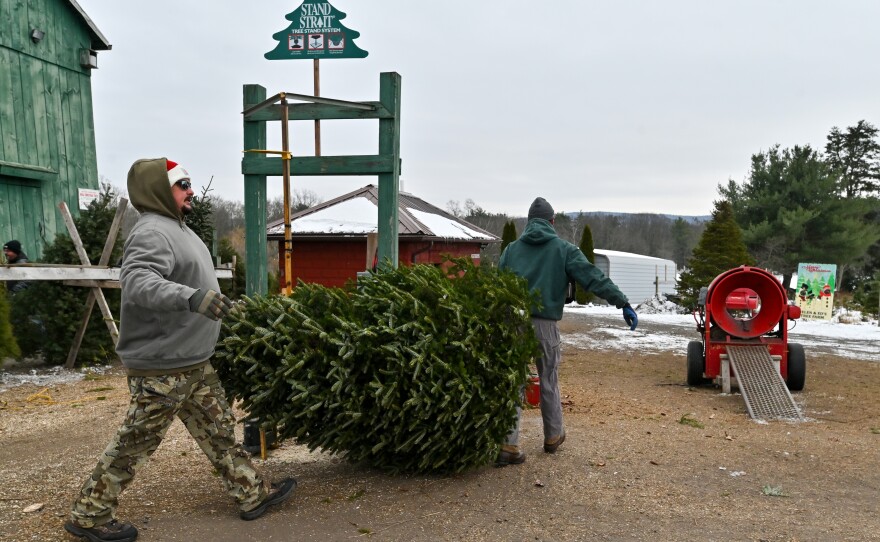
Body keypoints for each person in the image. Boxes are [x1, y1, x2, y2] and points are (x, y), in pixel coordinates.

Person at [65, 158, 295, 542]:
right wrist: (193, 298)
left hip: (192, 361)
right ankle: (89, 515)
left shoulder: (178, 229)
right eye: (181, 184)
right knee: (136, 441)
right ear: (158, 190)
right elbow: (138, 283)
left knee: (218, 430)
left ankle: (251, 493)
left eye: (188, 183)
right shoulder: (152, 232)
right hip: (163, 367)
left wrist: (217, 305)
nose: (189, 190)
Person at [497, 197, 638, 465]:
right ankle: (552, 437)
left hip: (512, 322)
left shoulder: (511, 250)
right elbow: (594, 277)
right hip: (545, 326)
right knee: (548, 378)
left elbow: (496, 288)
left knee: (512, 382)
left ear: (528, 223)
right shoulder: (564, 249)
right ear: (552, 222)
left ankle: (508, 444)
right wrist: (622, 302)